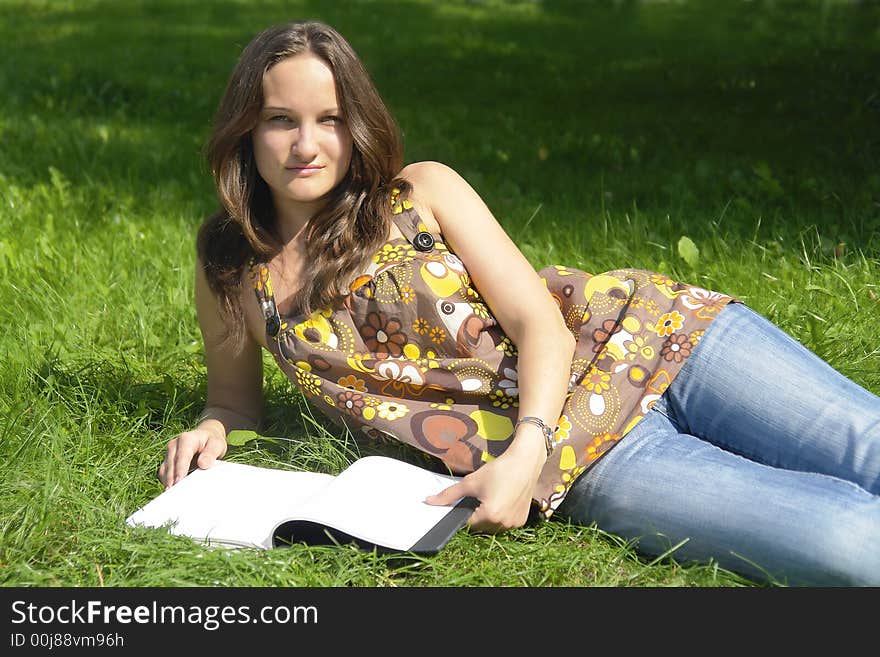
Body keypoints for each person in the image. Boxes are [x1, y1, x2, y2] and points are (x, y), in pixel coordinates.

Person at [157, 21, 880, 586]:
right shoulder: (230, 269)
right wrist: (214, 429)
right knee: (847, 545)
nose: (307, 144)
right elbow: (236, 405)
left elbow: (541, 323)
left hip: (659, 340)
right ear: (246, 128)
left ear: (358, 123)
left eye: (331, 118)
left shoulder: (419, 191)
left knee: (866, 444)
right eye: (282, 119)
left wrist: (524, 451)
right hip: (593, 460)